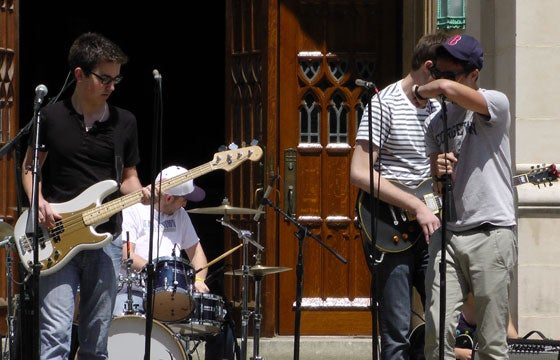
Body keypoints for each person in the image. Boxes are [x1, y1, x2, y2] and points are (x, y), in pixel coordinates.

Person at [21, 32, 150, 359]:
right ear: (79, 74)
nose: (112, 86)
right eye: (104, 78)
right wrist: (38, 203)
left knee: (96, 341)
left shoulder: (125, 122)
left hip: (105, 240)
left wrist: (145, 193)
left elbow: (128, 179)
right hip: (56, 235)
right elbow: (29, 169)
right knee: (56, 337)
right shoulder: (49, 117)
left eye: (116, 78)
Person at [415, 34, 517, 359]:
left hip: (491, 233)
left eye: (450, 75)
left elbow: (446, 91)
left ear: (473, 75)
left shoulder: (495, 103)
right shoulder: (435, 122)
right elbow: (436, 182)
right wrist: (437, 167)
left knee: (490, 342)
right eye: (438, 72)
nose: (442, 81)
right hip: (449, 234)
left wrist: (426, 89)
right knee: (436, 331)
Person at [350, 31, 448, 360]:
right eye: (446, 75)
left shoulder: (440, 108)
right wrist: (415, 205)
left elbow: (428, 166)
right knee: (397, 333)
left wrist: (444, 167)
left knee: (444, 319)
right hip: (389, 227)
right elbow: (360, 172)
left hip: (431, 224)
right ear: (429, 67)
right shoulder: (384, 103)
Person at [115, 165, 236, 360]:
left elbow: (197, 253)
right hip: (136, 291)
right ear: (169, 198)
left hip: (175, 293)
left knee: (221, 325)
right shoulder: (133, 209)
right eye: (183, 199)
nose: (186, 204)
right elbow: (127, 254)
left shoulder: (181, 215)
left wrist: (198, 279)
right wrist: (156, 271)